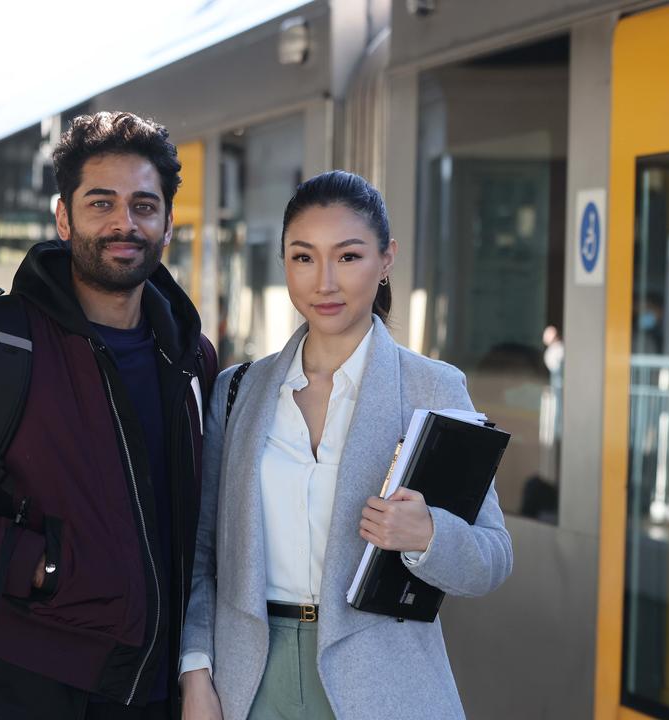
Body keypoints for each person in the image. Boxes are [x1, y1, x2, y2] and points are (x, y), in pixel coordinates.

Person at [0, 111, 217, 719]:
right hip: (22, 682)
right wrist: (35, 567)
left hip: (159, 688)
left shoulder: (191, 358)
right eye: (100, 203)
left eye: (143, 205)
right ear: (64, 216)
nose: (123, 223)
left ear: (166, 225)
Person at [180, 171, 513, 720]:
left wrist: (428, 535)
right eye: (304, 258)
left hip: (384, 684)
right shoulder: (237, 390)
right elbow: (201, 555)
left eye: (349, 257)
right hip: (248, 682)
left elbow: (492, 557)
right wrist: (196, 672)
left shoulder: (433, 387)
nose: (324, 283)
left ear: (386, 261)